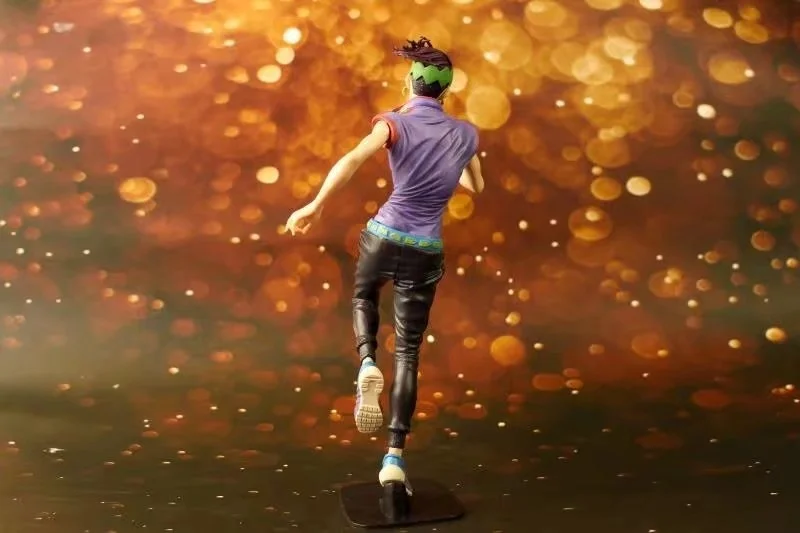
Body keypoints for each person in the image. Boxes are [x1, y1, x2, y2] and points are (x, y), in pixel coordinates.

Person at [285, 36, 484, 494]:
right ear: (445, 91)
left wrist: (315, 205)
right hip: (425, 247)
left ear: (410, 84)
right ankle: (394, 457)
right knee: (410, 352)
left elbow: (354, 158)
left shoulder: (393, 122)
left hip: (383, 235)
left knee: (363, 295)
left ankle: (367, 361)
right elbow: (475, 186)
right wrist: (455, 152)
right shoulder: (465, 134)